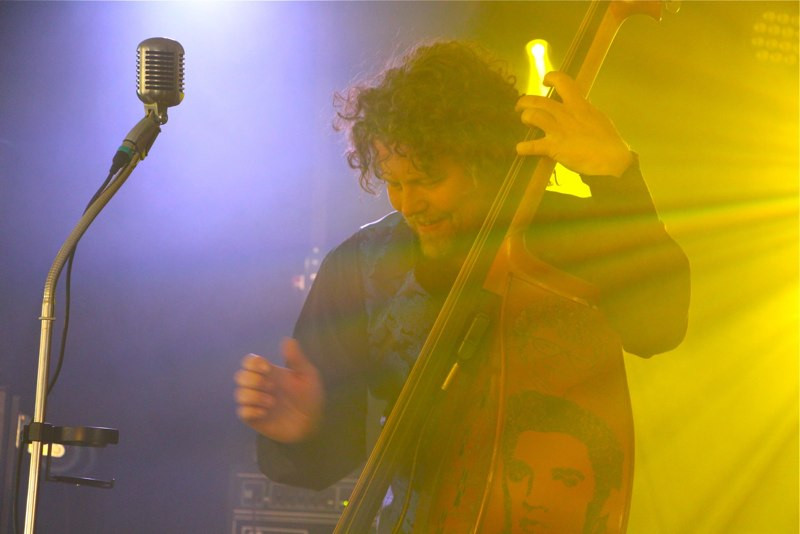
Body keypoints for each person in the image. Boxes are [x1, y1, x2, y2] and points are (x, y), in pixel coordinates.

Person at [234, 40, 690, 531]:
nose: (408, 204)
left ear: (484, 160)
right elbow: (331, 456)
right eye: (393, 182)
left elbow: (659, 327)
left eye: (428, 180)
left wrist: (618, 176)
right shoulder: (358, 265)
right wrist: (304, 428)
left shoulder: (569, 236)